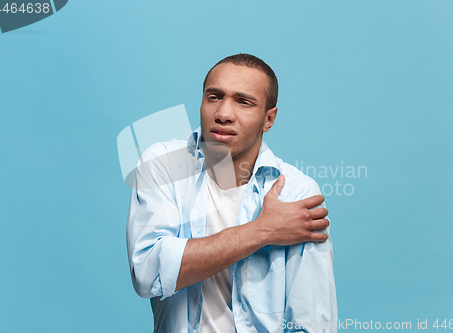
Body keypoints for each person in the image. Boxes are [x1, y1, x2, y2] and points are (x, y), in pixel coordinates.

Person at [126, 53, 337, 333]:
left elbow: (312, 324)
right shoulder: (165, 165)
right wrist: (264, 230)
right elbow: (148, 273)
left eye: (243, 102)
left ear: (269, 118)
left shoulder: (297, 193)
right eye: (213, 96)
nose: (223, 114)